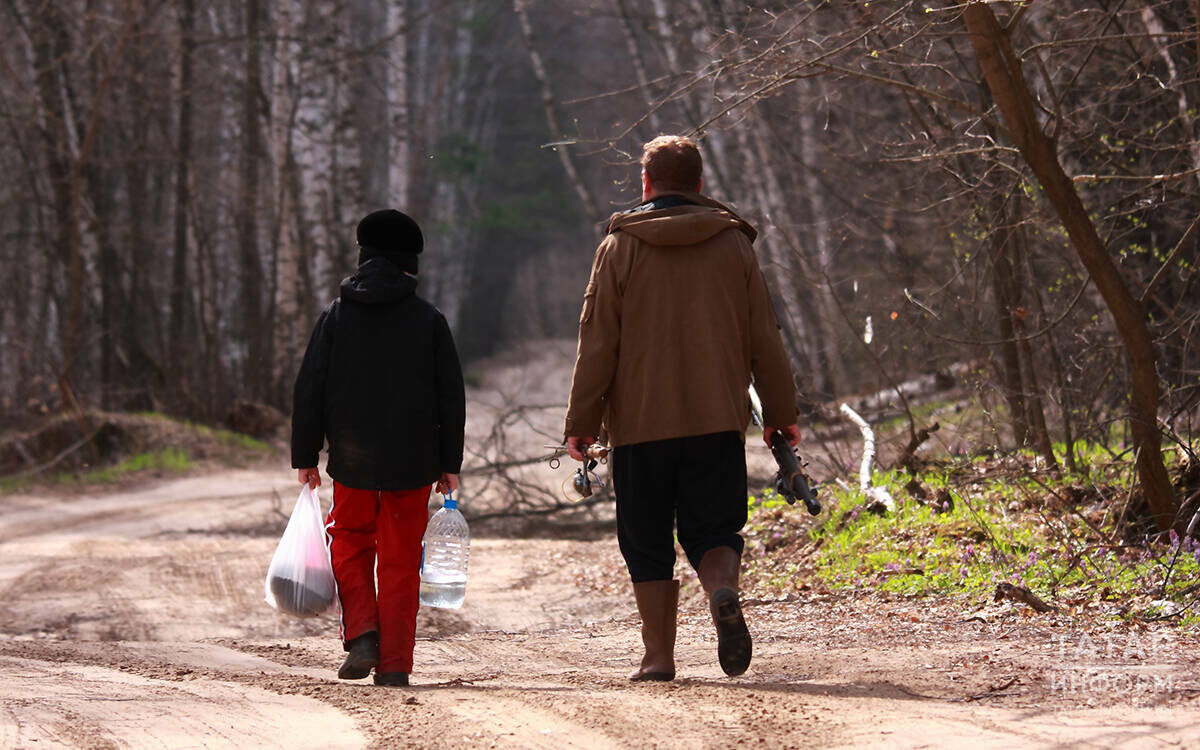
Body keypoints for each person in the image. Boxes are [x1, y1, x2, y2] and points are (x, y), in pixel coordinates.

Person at [564, 135, 801, 681]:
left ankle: (658, 658)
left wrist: (581, 423)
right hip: (716, 421)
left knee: (645, 539)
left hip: (640, 426)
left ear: (645, 183)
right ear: (700, 183)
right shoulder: (734, 244)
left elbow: (597, 344)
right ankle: (720, 590)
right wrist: (780, 412)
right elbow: (765, 337)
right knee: (714, 528)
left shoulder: (618, 248)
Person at [291, 209, 466, 687]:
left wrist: (306, 455)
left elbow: (310, 387)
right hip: (414, 461)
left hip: (353, 458)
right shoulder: (429, 320)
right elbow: (451, 398)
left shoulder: (337, 315)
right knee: (400, 559)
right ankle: (395, 665)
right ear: (410, 265)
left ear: (364, 258)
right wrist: (449, 463)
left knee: (349, 542)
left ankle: (363, 634)